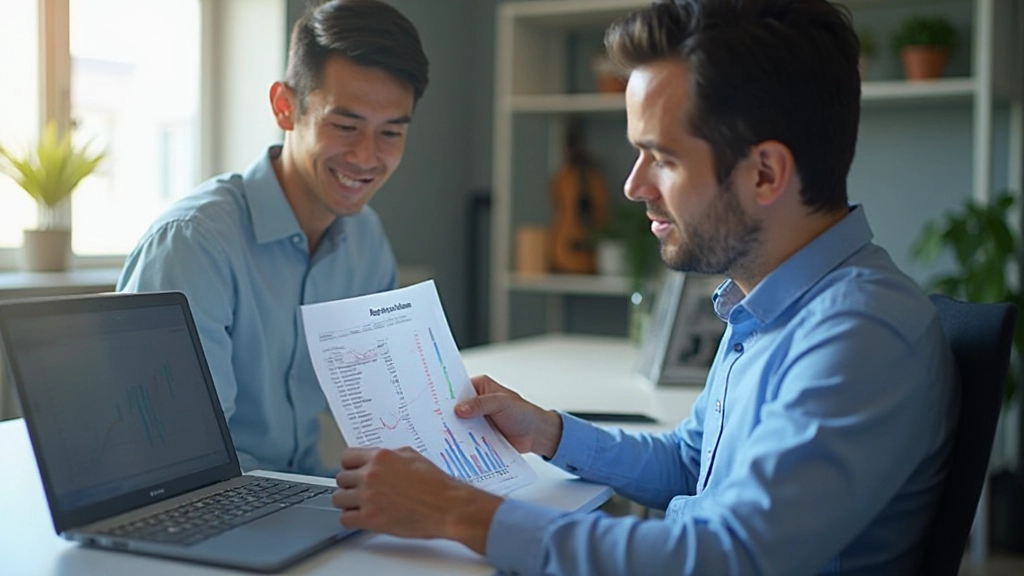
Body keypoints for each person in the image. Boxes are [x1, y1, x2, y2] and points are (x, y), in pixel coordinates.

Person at [330, 0, 960, 574]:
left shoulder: (860, 335)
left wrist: (455, 512)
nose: (633, 185)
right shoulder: (771, 307)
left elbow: (723, 558)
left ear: (765, 173)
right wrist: (546, 431)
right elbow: (695, 464)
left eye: (662, 156)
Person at [117, 0, 429, 477]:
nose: (366, 157)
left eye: (390, 133)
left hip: (301, 488)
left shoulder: (366, 240)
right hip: (206, 502)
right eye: (345, 126)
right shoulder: (195, 244)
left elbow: (389, 406)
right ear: (285, 107)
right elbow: (172, 456)